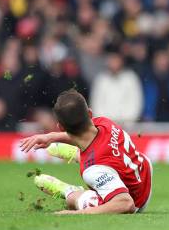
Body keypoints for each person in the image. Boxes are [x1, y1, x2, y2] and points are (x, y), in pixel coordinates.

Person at [19, 89, 152, 214]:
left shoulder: (93, 170)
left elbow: (125, 204)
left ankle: (69, 191)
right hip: (144, 172)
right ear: (89, 113)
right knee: (101, 155)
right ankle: (77, 154)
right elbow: (82, 133)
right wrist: (50, 137)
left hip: (136, 201)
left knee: (86, 201)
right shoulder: (103, 122)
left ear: (60, 127)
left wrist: (78, 213)